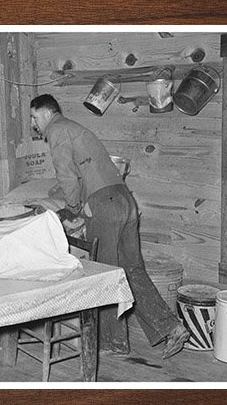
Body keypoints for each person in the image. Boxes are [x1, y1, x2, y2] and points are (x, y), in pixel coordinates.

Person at [29, 94, 190, 360]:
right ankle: (171, 327)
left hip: (104, 205)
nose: (34, 124)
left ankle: (111, 343)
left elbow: (66, 175)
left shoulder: (57, 129)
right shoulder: (75, 129)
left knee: (103, 275)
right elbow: (83, 173)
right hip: (125, 201)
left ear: (46, 113)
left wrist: (73, 209)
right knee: (131, 270)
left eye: (34, 117)